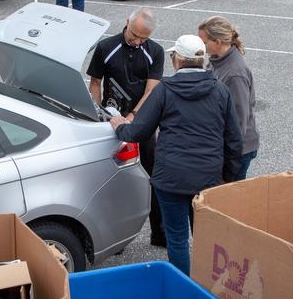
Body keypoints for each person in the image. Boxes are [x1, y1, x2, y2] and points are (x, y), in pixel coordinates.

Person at [110, 35, 242, 275]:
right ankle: (207, 285)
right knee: (205, 237)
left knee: (177, 237)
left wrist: (119, 125)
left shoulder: (164, 90)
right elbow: (234, 140)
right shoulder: (220, 90)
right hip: (207, 178)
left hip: (171, 177)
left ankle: (183, 286)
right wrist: (227, 178)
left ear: (178, 60)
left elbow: (138, 131)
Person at [88, 8, 166, 245]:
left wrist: (134, 117)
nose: (137, 41)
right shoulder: (106, 47)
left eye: (143, 38)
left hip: (143, 123)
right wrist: (99, 113)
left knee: (154, 178)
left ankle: (159, 233)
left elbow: (152, 90)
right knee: (113, 180)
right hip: (112, 122)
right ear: (126, 23)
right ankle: (115, 238)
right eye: (134, 35)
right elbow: (95, 82)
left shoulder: (155, 51)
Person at [199, 16, 259, 179]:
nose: (201, 46)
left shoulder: (234, 74)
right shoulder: (217, 60)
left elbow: (239, 120)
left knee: (229, 197)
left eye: (204, 42)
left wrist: (227, 155)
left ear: (218, 42)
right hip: (223, 143)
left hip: (237, 150)